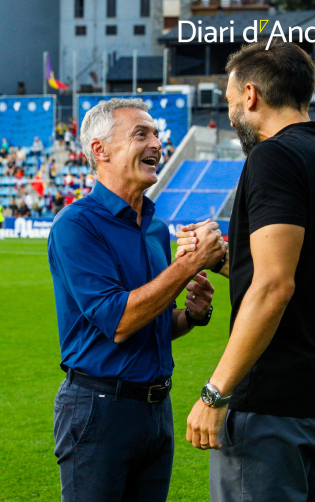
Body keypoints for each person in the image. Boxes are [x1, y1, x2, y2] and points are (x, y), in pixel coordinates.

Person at [176, 41, 315, 502]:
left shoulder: (273, 156)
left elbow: (274, 285)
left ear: (250, 95)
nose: (229, 116)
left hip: (274, 402)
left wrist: (215, 393)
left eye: (228, 104)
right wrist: (220, 259)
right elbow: (304, 272)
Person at [48, 97, 227, 502]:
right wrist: (188, 266)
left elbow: (154, 324)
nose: (156, 144)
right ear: (100, 150)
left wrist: (192, 315)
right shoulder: (76, 225)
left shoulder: (155, 227)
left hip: (156, 409)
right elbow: (120, 321)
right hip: (98, 409)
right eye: (141, 134)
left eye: (157, 135)